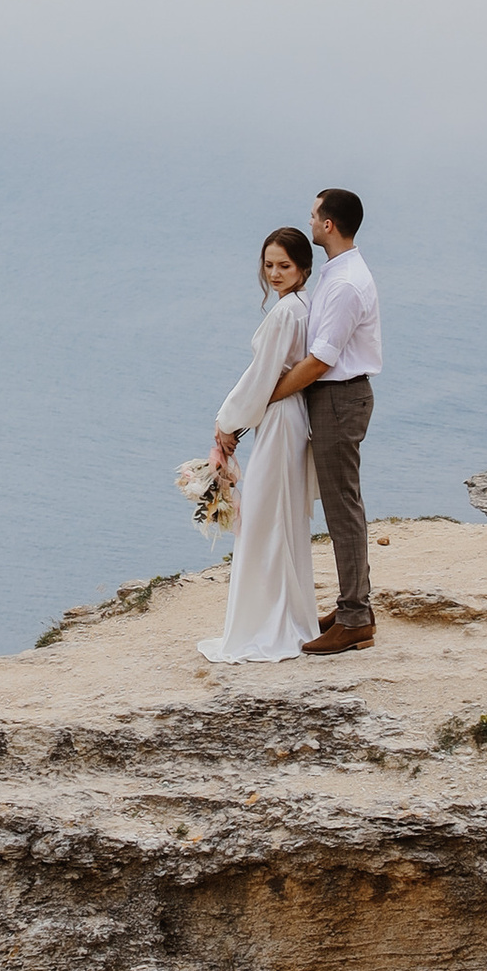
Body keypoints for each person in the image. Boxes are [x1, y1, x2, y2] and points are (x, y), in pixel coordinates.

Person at [196, 229, 322, 664]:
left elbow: (261, 376)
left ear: (304, 267)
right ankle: (287, 617)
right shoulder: (306, 306)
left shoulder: (287, 312)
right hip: (291, 416)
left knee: (263, 520)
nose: (274, 273)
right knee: (279, 519)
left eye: (284, 265)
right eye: (269, 265)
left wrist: (226, 422)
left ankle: (267, 626)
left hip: (281, 419)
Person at [268, 189, 380, 655]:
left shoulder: (344, 284)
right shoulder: (338, 273)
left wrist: (265, 396)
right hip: (334, 399)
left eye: (314, 215)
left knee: (342, 508)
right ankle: (353, 606)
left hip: (338, 398)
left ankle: (356, 617)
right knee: (342, 504)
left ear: (329, 225)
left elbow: (319, 361)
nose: (310, 221)